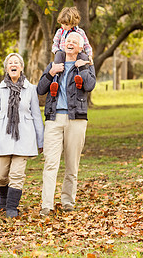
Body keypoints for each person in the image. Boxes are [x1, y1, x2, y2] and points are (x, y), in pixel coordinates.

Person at [37, 32, 96, 216]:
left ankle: (68, 201)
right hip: (54, 119)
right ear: (63, 45)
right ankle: (47, 205)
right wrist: (50, 73)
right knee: (50, 163)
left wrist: (84, 68)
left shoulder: (86, 65)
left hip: (76, 119)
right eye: (68, 41)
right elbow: (40, 89)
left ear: (80, 48)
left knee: (72, 164)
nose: (70, 44)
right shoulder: (54, 65)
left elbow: (89, 85)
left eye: (74, 42)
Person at [0, 53, 44, 218]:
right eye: (10, 62)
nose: (13, 64)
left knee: (17, 175)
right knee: (0, 175)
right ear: (6, 68)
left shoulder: (30, 89)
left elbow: (37, 116)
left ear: (21, 67)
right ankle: (4, 199)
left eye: (16, 62)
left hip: (24, 136)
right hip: (2, 135)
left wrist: (41, 140)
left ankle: (11, 208)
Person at [51, 7, 93, 97]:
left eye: (66, 24)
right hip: (63, 53)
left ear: (73, 23)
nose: (64, 26)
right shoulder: (60, 32)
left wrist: (89, 55)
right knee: (58, 56)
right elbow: (55, 44)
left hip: (76, 53)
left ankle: (79, 80)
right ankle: (55, 82)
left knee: (83, 58)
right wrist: (57, 51)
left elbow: (86, 45)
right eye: (62, 24)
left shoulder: (80, 32)